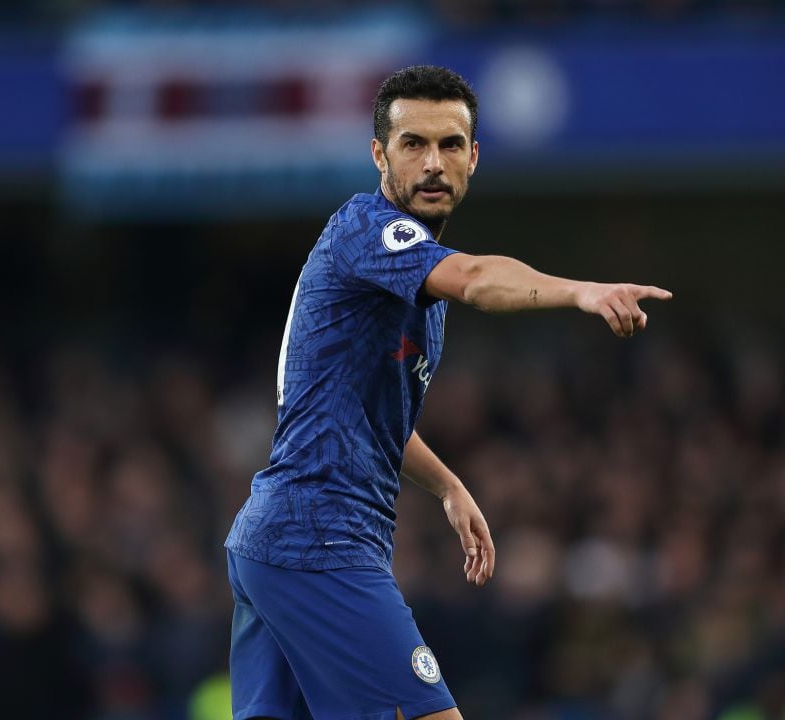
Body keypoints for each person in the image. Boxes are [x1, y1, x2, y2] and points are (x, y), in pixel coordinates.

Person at [223, 65, 672, 720]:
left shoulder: (415, 292)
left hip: (279, 543)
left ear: (474, 157)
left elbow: (371, 421)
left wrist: (450, 487)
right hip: (317, 539)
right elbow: (479, 277)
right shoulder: (370, 232)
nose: (433, 163)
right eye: (413, 144)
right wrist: (582, 291)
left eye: (450, 144)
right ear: (380, 154)